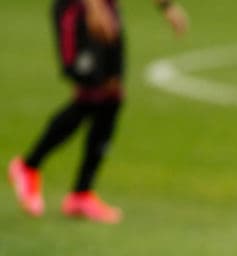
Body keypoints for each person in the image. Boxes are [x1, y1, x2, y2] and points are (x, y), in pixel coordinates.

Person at [7, 0, 189, 224]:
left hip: (108, 6)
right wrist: (93, 7)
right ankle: (28, 167)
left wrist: (167, 6)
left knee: (112, 96)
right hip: (78, 8)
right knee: (89, 95)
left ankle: (82, 194)